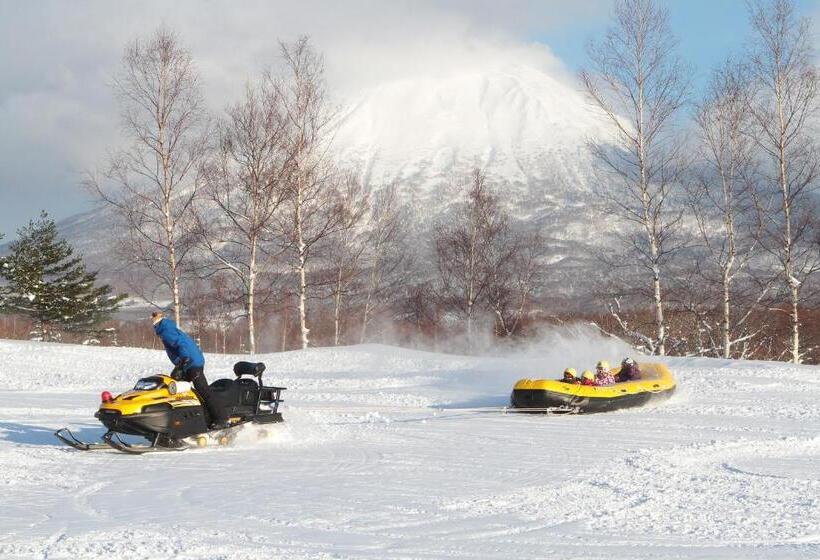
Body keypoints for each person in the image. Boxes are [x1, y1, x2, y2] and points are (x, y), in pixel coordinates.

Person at [151, 311, 229, 430]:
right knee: (178, 390)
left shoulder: (165, 330)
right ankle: (189, 419)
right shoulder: (165, 328)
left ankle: (221, 419)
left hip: (191, 363)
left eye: (153, 319)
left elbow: (180, 343)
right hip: (187, 362)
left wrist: (185, 359)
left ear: (158, 320)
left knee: (203, 390)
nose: (152, 321)